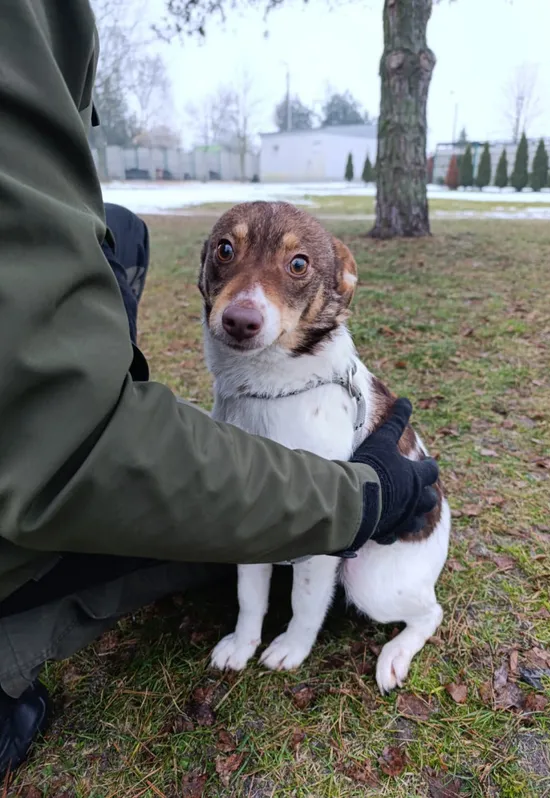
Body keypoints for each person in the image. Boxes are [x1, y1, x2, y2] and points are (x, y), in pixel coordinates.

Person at [0, 0, 439, 778]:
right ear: (205, 267)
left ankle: (401, 619)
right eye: (228, 256)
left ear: (336, 291)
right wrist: (245, 625)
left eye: (293, 268)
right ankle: (252, 620)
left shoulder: (327, 388)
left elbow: (311, 529)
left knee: (364, 591)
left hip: (383, 548)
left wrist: (295, 633)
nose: (246, 299)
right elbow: (248, 510)